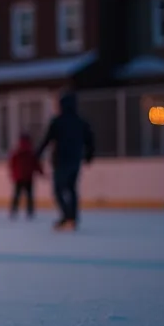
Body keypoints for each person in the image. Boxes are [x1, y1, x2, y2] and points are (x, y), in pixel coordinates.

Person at [37, 91, 95, 231]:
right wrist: (89, 155)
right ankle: (72, 218)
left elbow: (47, 139)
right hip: (75, 160)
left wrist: (37, 154)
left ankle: (67, 216)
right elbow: (90, 140)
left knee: (58, 190)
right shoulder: (81, 122)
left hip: (61, 161)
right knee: (72, 189)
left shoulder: (57, 121)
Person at [7, 133, 43, 219]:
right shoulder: (31, 153)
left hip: (19, 177)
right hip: (28, 177)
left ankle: (14, 210)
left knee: (17, 195)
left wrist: (13, 174)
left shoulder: (17, 152)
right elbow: (36, 165)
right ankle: (29, 211)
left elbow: (12, 164)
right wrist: (42, 173)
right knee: (29, 195)